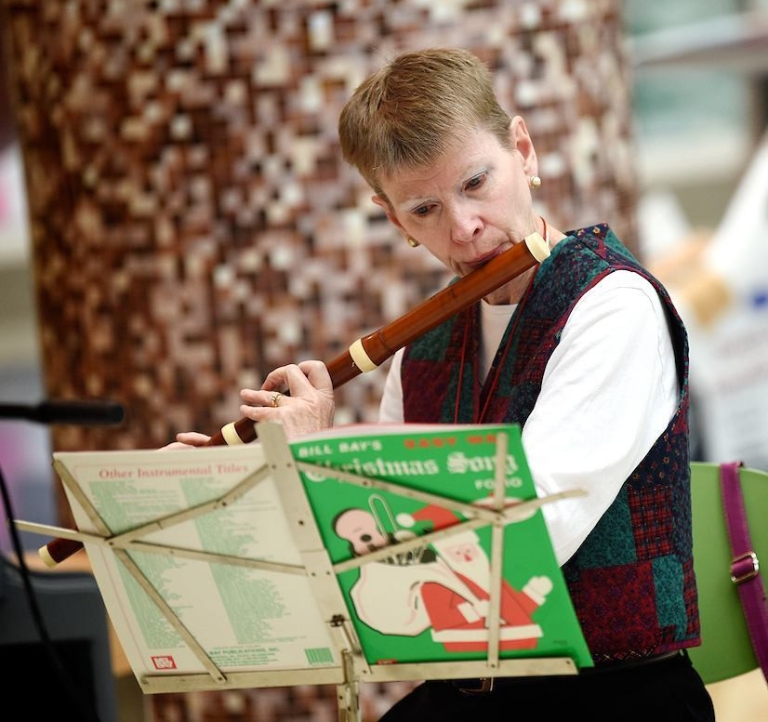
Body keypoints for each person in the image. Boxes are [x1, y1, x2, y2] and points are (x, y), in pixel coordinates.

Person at [172, 48, 715, 720]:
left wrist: (317, 455)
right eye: (425, 209)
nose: (462, 227)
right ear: (393, 218)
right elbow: (371, 574)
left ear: (524, 150)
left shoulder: (613, 306)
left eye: (476, 183)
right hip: (468, 696)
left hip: (614, 697)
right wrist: (221, 493)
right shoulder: (421, 348)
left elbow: (526, 540)